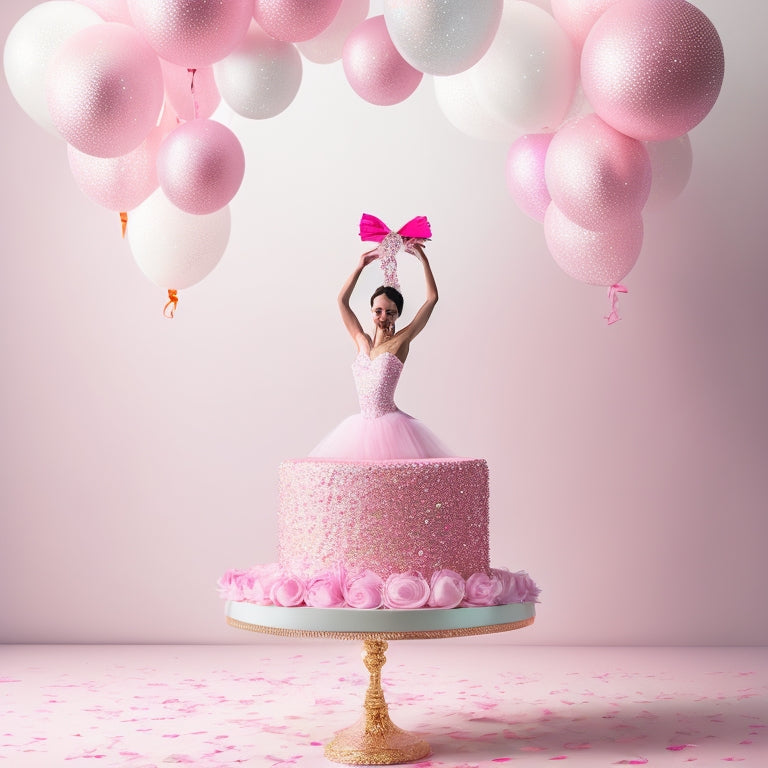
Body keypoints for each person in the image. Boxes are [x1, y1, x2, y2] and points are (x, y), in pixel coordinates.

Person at [308, 239, 453, 460]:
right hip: (360, 428)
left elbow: (432, 299)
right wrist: (360, 266)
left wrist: (423, 260)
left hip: (391, 427)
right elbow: (342, 301)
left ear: (398, 315)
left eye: (390, 312)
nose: (383, 317)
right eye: (378, 311)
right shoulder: (362, 341)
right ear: (372, 311)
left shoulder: (401, 341)